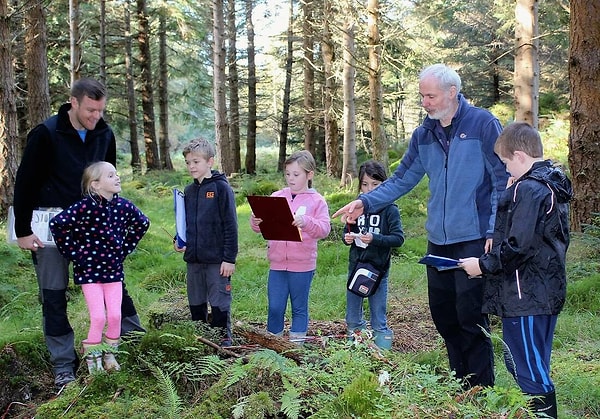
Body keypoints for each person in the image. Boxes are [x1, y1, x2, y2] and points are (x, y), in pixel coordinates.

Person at [332, 63, 508, 388]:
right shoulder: (423, 134)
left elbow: (502, 178)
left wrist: (493, 231)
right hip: (437, 243)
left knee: (471, 318)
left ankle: (482, 389)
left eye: (431, 96)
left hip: (473, 239)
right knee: (444, 316)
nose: (425, 102)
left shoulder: (483, 124)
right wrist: (365, 202)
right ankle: (460, 382)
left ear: (452, 93)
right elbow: (401, 179)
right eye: (422, 96)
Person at [12, 77, 147, 389]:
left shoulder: (104, 133)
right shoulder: (45, 134)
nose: (95, 116)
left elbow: (109, 176)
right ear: (73, 102)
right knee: (54, 294)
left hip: (97, 230)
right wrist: (22, 230)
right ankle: (63, 364)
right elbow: (25, 183)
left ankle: (132, 342)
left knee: (115, 285)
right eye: (90, 110)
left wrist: (117, 230)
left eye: (100, 110)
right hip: (52, 226)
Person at [459, 122, 571, 418]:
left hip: (526, 296)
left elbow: (518, 246)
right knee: (534, 362)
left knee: (526, 366)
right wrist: (511, 195)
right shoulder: (549, 184)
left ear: (520, 156)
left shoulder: (529, 189)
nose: (506, 170)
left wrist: (481, 266)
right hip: (543, 292)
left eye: (507, 163)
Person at [50, 162, 150, 374]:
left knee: (114, 316)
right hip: (89, 272)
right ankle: (92, 358)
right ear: (95, 184)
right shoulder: (85, 207)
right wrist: (75, 253)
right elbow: (58, 224)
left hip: (113, 270)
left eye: (117, 174)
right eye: (110, 175)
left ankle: (110, 355)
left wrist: (124, 249)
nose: (117, 178)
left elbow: (142, 223)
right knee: (98, 317)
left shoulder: (123, 206)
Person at [250, 150, 331, 341]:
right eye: (287, 174)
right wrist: (256, 221)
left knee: (299, 306)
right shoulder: (277, 196)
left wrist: (306, 222)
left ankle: (296, 347)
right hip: (277, 263)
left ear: (309, 175)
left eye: (296, 174)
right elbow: (259, 228)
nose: (290, 179)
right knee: (275, 307)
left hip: (302, 264)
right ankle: (273, 345)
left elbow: (324, 229)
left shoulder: (317, 200)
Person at [174, 138, 238, 347]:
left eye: (196, 162)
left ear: (210, 162)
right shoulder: (189, 191)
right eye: (188, 162)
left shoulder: (221, 188)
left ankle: (222, 341)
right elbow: (186, 223)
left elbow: (230, 225)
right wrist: (179, 240)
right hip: (193, 259)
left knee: (219, 301)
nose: (191, 166)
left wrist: (229, 259)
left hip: (217, 261)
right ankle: (200, 340)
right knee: (196, 300)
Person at [343, 161, 405, 350]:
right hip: (356, 268)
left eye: (375, 184)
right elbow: (348, 229)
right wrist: (347, 237)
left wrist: (375, 238)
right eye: (364, 184)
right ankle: (357, 350)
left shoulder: (389, 209)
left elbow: (398, 238)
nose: (369, 189)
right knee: (352, 316)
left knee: (378, 315)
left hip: (378, 270)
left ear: (384, 185)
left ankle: (382, 353)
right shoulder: (355, 208)